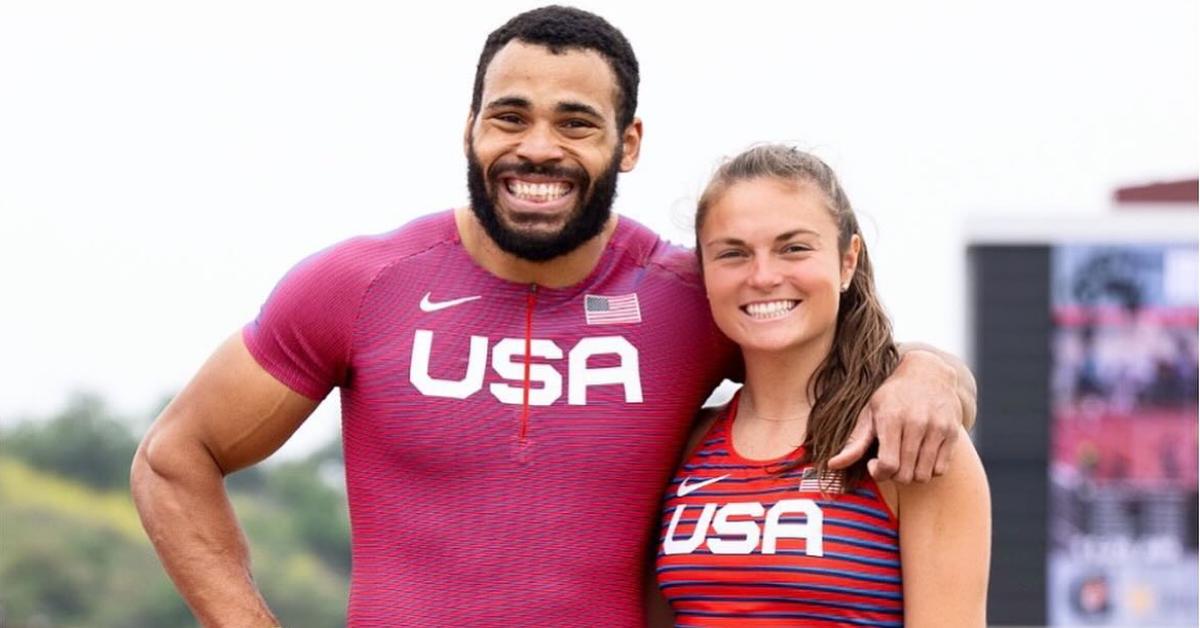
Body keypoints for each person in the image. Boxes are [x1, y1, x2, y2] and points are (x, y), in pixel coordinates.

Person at [130, 6, 978, 627]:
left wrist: (930, 369)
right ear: (471, 129)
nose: (539, 147)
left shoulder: (692, 295)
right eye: (511, 116)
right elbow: (176, 458)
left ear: (630, 143)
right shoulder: (361, 283)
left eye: (576, 122)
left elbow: (812, 331)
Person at [655, 145, 990, 626]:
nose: (764, 276)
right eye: (733, 253)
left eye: (793, 248)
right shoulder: (686, 446)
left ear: (847, 260)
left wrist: (927, 368)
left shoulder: (910, 439)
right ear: (704, 273)